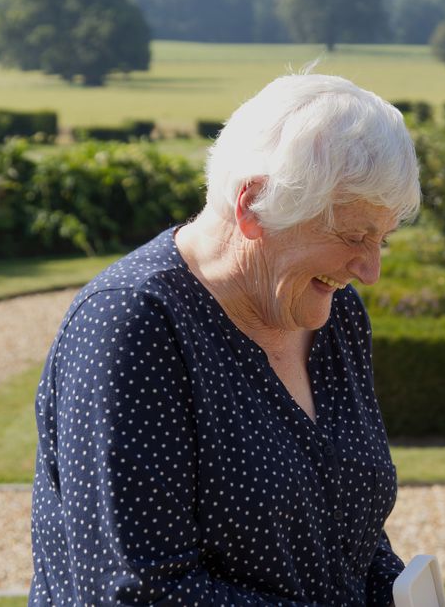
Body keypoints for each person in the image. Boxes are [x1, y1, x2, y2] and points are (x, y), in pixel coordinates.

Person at [29, 73, 421, 605]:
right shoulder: (133, 323)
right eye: (353, 236)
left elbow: (346, 534)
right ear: (253, 204)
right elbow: (138, 592)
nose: (370, 269)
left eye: (383, 238)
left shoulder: (335, 314)